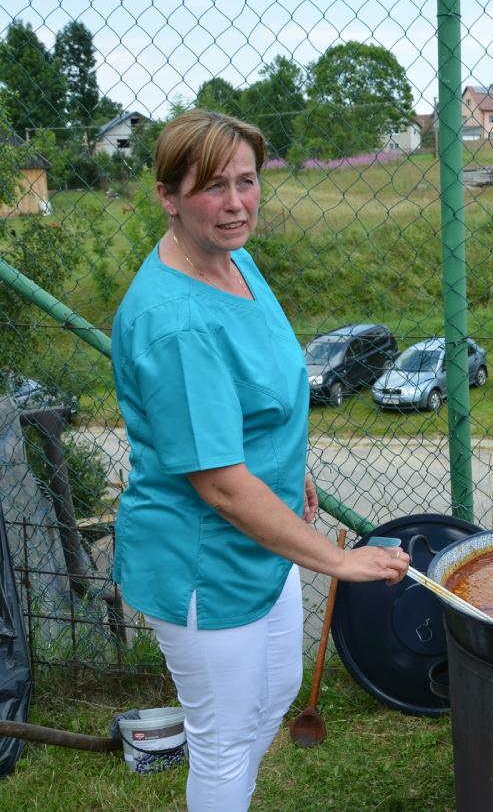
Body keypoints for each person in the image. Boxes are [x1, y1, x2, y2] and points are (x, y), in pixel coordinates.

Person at [111, 109, 408, 811]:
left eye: (246, 181)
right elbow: (220, 485)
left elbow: (255, 396)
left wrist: (287, 463)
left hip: (263, 534)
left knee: (274, 691)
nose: (237, 203)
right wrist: (338, 562)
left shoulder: (233, 260)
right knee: (222, 738)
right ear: (168, 196)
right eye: (213, 186)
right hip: (205, 559)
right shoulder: (175, 323)